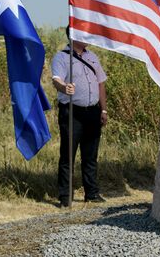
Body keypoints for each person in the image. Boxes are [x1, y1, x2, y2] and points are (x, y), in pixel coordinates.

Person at [51, 28, 108, 207]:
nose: (89, 37)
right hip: (72, 113)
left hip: (92, 112)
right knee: (68, 155)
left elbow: (101, 84)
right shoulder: (61, 57)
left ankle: (91, 193)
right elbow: (56, 79)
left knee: (90, 155)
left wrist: (103, 110)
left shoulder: (93, 57)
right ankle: (65, 197)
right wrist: (64, 87)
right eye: (84, 33)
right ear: (74, 36)